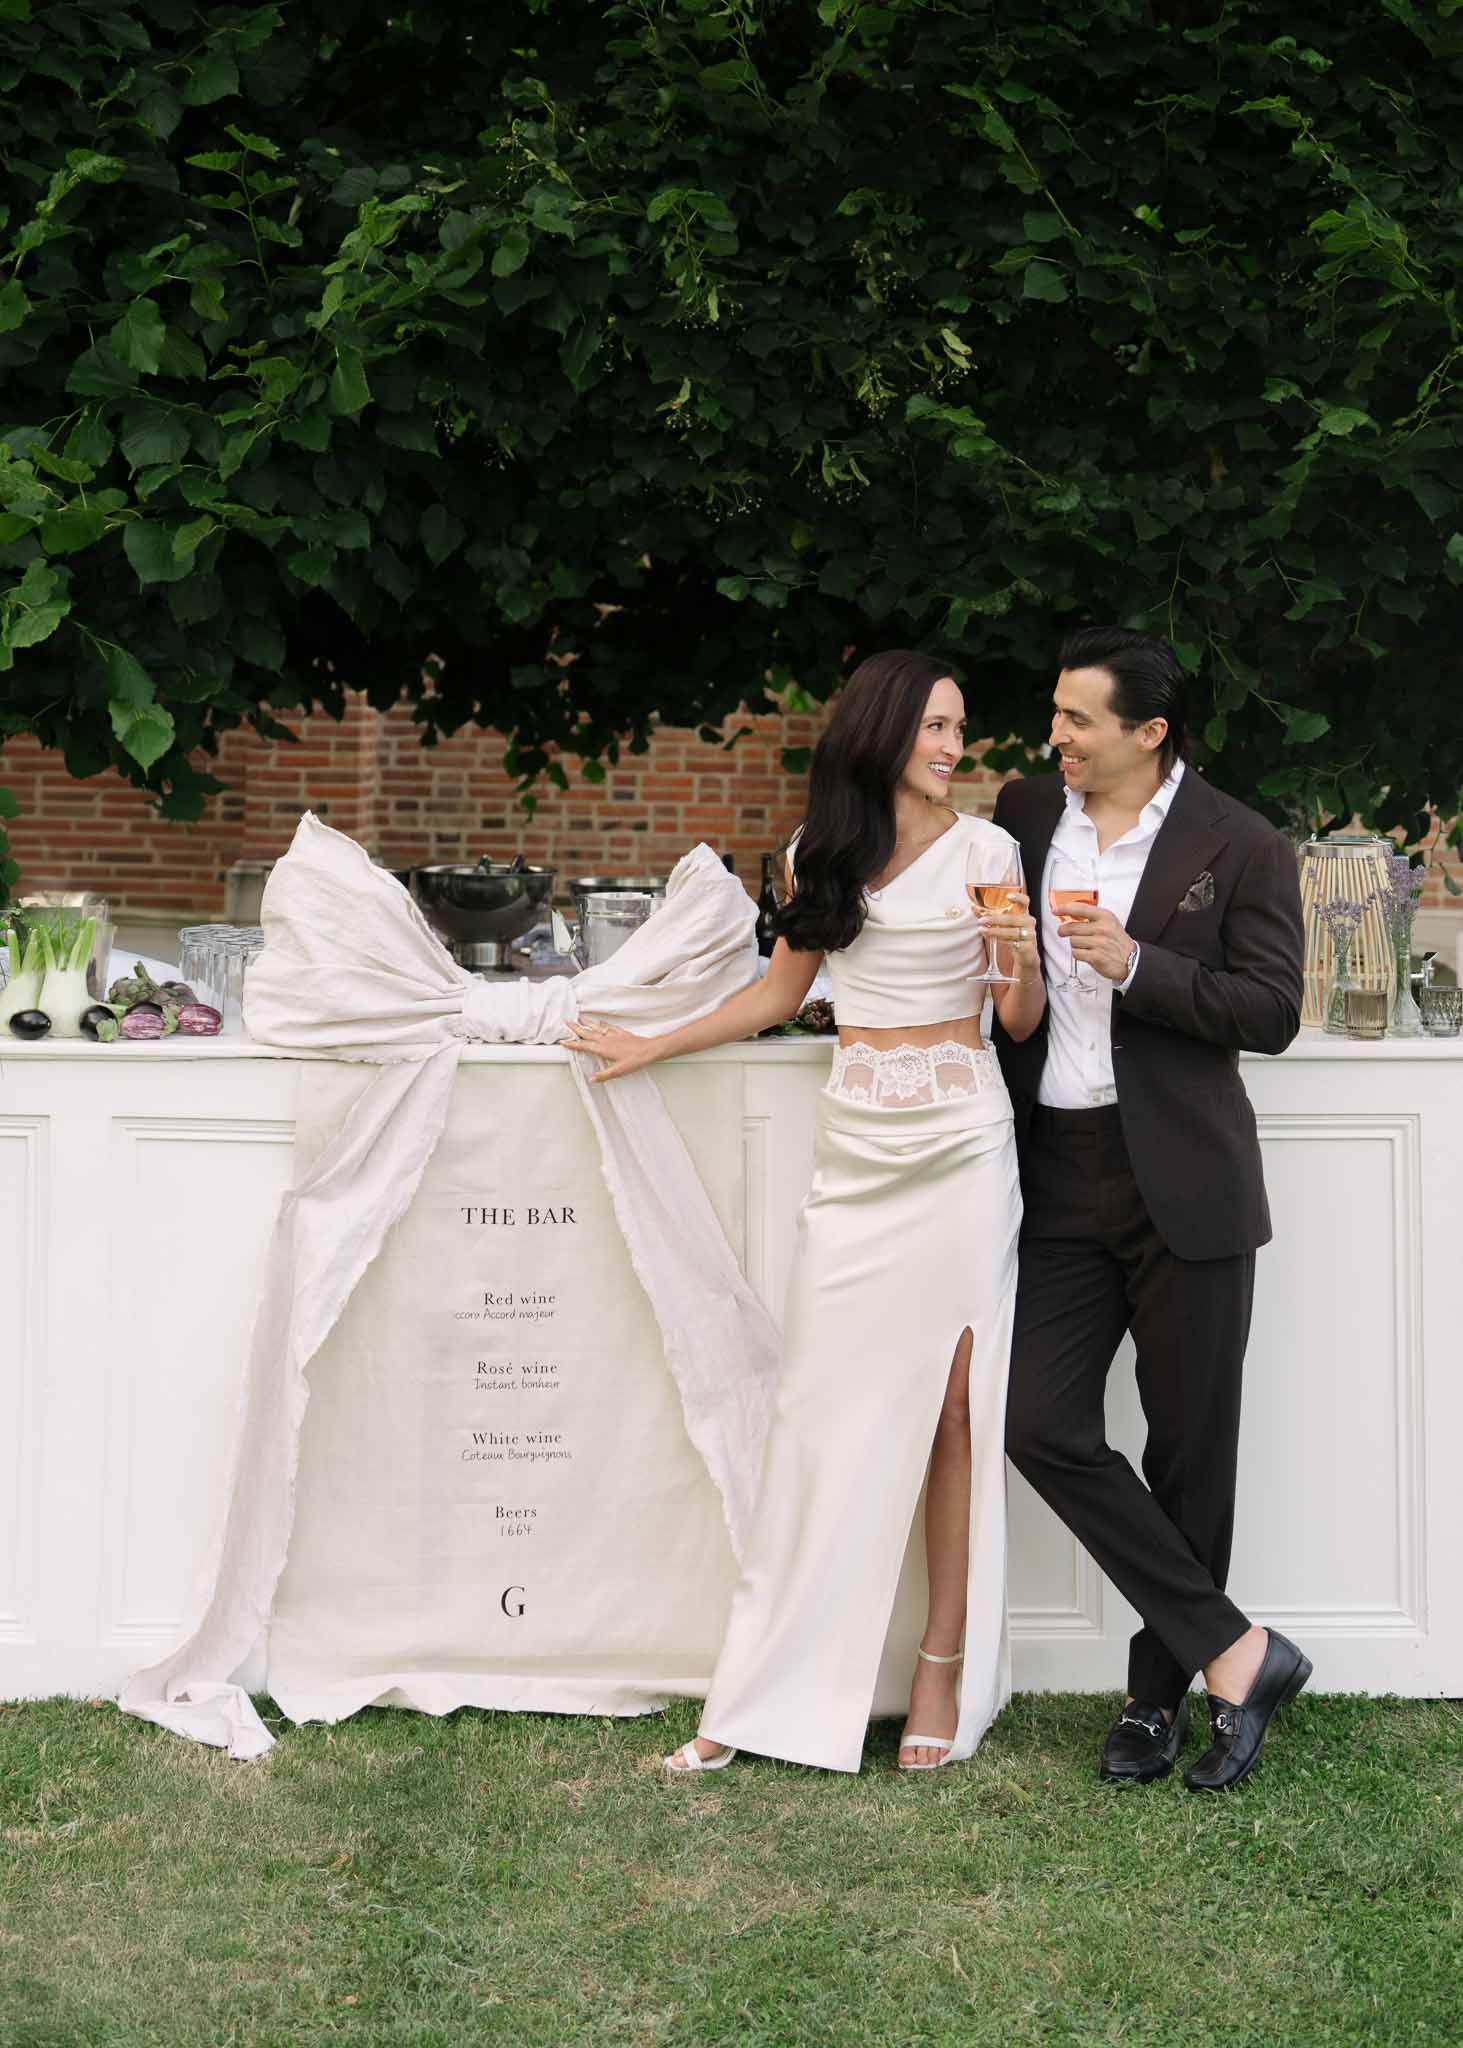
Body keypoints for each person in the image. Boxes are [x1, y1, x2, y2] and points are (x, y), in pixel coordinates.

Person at [562, 650, 1044, 1772]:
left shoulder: (989, 852)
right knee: (819, 1414)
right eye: (933, 725)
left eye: (957, 727)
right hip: (858, 1151)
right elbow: (777, 997)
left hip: (962, 1147)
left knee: (956, 1415)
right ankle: (760, 1688)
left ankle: (939, 1668)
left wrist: (1016, 962)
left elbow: (1015, 1023)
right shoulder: (812, 856)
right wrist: (650, 1042)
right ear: (881, 734)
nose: (951, 745)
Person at [991, 626, 1309, 1793]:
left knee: (1188, 1452)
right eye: (1056, 715)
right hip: (1056, 1171)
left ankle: (1152, 1698)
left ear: (1148, 732)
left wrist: (1134, 961)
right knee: (1038, 1421)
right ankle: (1237, 1649)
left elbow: (1270, 1008)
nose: (1054, 737)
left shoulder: (1239, 841)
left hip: (1187, 1177)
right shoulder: (1024, 815)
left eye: (1077, 719)